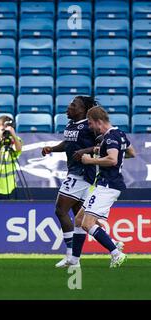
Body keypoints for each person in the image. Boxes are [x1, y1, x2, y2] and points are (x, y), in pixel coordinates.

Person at [68, 106, 135, 268]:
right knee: (78, 219)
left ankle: (116, 253)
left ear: (99, 122)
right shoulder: (119, 134)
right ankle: (74, 259)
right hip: (104, 185)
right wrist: (103, 150)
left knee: (87, 224)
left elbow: (112, 160)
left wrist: (90, 160)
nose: (90, 127)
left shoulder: (111, 137)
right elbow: (131, 152)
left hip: (108, 185)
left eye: (90, 123)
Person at [41, 96, 98, 267]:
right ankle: (113, 248)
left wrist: (85, 151)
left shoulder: (89, 125)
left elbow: (102, 142)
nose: (69, 107)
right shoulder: (71, 125)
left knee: (60, 210)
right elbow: (68, 144)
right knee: (78, 216)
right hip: (75, 172)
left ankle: (70, 255)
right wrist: (52, 149)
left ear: (83, 110)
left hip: (81, 173)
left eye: (73, 105)